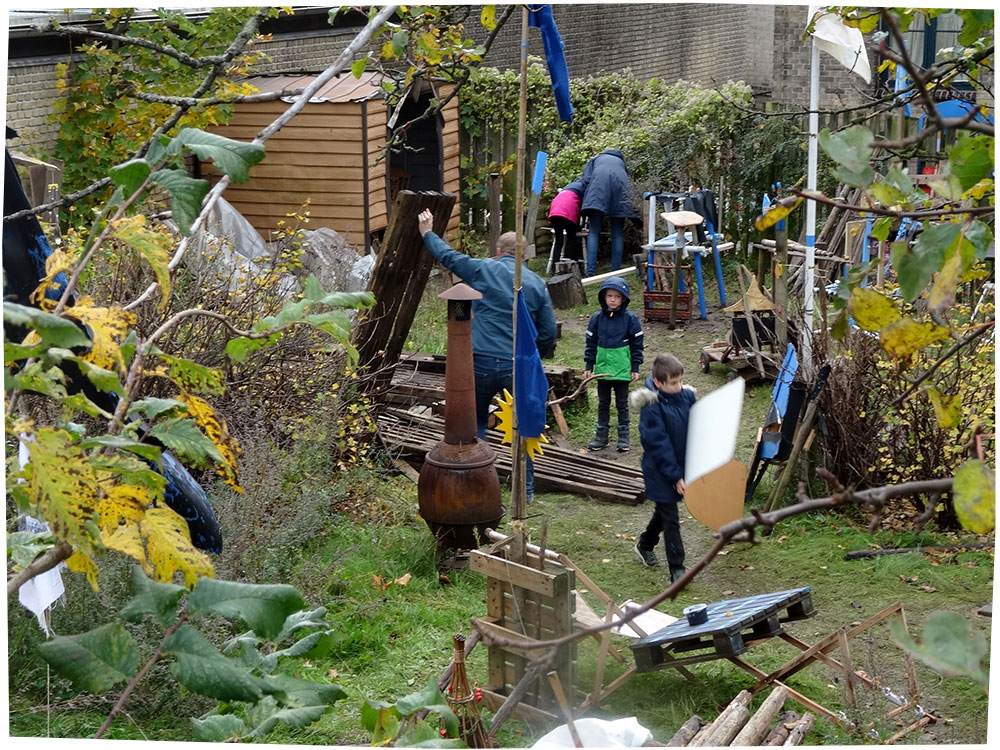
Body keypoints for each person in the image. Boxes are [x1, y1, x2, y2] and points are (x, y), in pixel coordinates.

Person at [417, 209, 557, 502]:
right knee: (523, 425)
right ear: (526, 256)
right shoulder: (535, 285)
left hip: (478, 360)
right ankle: (526, 489)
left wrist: (428, 233)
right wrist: (537, 356)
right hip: (515, 364)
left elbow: (449, 257)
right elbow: (546, 332)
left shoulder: (483, 270)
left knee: (477, 420)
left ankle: (479, 480)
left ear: (498, 251)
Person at [629, 353, 696, 583]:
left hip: (680, 466)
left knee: (663, 511)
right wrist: (675, 476)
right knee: (671, 518)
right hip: (660, 471)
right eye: (672, 383)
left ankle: (645, 545)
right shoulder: (651, 407)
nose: (678, 387)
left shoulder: (686, 397)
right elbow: (659, 444)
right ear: (658, 383)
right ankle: (677, 570)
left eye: (680, 381)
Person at [583, 277, 643, 452]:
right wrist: (589, 365)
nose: (613, 300)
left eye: (617, 296)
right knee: (603, 402)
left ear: (623, 298)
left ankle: (623, 436)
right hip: (602, 370)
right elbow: (590, 343)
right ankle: (601, 435)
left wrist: (635, 367)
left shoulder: (630, 319)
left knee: (622, 403)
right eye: (609, 295)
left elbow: (637, 345)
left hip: (622, 369)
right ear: (604, 297)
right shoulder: (596, 318)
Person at [579, 148, 639, 276]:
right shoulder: (621, 163)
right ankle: (615, 270)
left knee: (594, 231)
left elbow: (586, 180)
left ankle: (590, 271)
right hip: (621, 194)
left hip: (598, 191)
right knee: (617, 233)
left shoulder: (595, 159)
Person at [547, 178, 584, 270]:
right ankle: (574, 267)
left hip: (554, 213)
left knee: (559, 241)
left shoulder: (568, 186)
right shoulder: (584, 188)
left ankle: (554, 268)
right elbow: (579, 211)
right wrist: (579, 228)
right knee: (571, 240)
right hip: (567, 213)